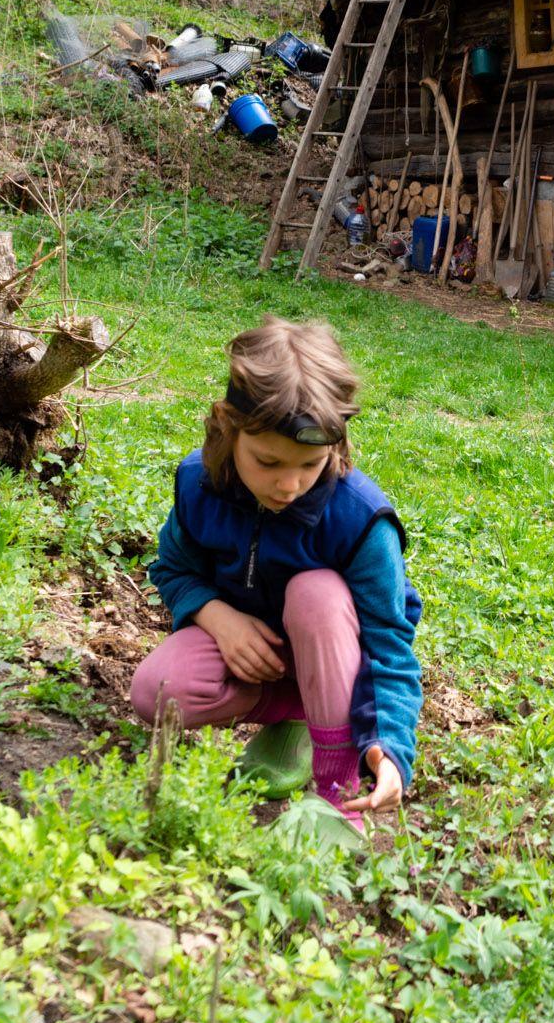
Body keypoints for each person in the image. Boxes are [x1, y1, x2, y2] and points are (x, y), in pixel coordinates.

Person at [129, 317, 421, 829]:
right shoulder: (200, 486)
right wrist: (219, 618)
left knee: (316, 594)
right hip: (256, 655)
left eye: (309, 465)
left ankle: (338, 787)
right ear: (227, 424)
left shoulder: (360, 519)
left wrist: (389, 746)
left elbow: (388, 642)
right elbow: (173, 568)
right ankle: (300, 715)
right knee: (155, 691)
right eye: (268, 462)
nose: (289, 485)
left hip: (335, 652)